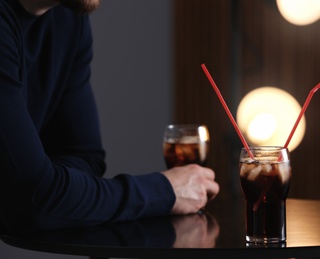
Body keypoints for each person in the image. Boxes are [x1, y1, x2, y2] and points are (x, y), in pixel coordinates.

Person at [0, 0, 219, 233]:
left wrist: (53, 188)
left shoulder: (70, 20)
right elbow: (34, 202)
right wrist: (164, 191)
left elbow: (86, 157)